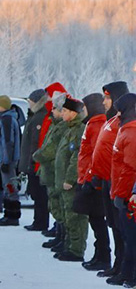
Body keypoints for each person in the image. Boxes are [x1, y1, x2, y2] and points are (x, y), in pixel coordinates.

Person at [93, 82, 129, 279]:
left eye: (107, 98)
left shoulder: (124, 121)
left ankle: (124, 266)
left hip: (118, 182)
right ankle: (117, 263)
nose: (104, 102)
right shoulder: (112, 120)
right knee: (114, 224)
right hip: (107, 179)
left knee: (121, 227)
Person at [73, 94, 109, 269]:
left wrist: (89, 178)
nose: (82, 111)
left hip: (93, 180)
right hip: (88, 177)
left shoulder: (97, 125)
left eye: (85, 106)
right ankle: (100, 254)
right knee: (94, 219)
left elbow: (96, 155)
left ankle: (103, 256)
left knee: (97, 219)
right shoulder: (92, 123)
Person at [53, 96, 88, 262]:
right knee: (67, 215)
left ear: (74, 113)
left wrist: (69, 178)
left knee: (74, 217)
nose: (62, 113)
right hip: (63, 181)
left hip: (71, 183)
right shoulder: (68, 129)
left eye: (65, 111)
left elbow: (76, 158)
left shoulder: (78, 130)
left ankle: (76, 250)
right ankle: (69, 246)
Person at [35, 91, 69, 249]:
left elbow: (52, 149)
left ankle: (64, 239)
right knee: (55, 206)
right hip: (51, 171)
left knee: (61, 208)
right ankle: (60, 236)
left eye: (55, 108)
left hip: (57, 172)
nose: (52, 111)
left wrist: (37, 156)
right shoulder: (55, 125)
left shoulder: (62, 127)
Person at [111, 93, 136, 287]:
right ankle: (126, 272)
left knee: (130, 237)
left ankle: (129, 274)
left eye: (120, 109)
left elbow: (130, 168)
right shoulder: (125, 129)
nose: (116, 113)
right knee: (125, 236)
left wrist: (122, 194)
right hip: (122, 190)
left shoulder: (132, 132)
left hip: (128, 194)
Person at [19, 89, 50, 230]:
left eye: (30, 101)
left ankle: (40, 222)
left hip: (36, 163)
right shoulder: (34, 115)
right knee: (36, 194)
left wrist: (32, 161)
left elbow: (35, 141)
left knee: (40, 195)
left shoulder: (39, 117)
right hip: (32, 161)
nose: (29, 104)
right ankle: (38, 221)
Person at [0, 95, 22, 226]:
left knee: (10, 187)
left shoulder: (7, 120)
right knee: (7, 186)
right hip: (5, 159)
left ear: (3, 106)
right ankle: (7, 214)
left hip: (7, 161)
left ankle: (13, 216)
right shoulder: (4, 118)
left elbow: (8, 142)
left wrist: (5, 160)